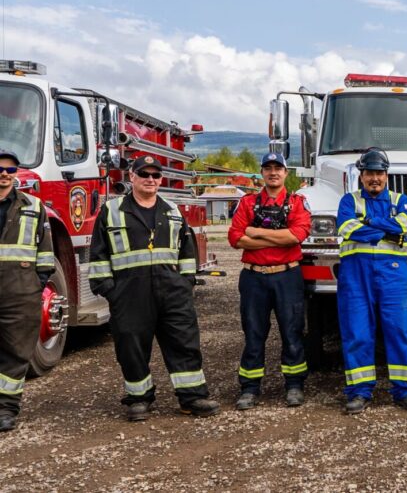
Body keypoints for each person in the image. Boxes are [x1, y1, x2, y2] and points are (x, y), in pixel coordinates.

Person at [88, 156, 219, 421]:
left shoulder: (172, 210)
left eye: (155, 175)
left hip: (172, 291)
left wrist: (186, 281)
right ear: (132, 177)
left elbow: (186, 249)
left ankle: (192, 396)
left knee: (183, 342)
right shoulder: (112, 210)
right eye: (144, 174)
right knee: (131, 345)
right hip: (129, 292)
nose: (150, 179)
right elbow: (99, 253)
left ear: (160, 180)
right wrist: (108, 289)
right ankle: (139, 398)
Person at [335, 148, 407, 412]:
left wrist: (369, 222)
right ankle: (359, 392)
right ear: (361, 176)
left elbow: (405, 224)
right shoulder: (348, 201)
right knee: (357, 332)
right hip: (355, 275)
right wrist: (384, 229)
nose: (375, 178)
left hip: (393, 274)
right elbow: (347, 228)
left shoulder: (401, 199)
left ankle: (404, 391)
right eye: (370, 173)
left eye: (379, 173)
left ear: (387, 175)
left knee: (400, 331)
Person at [227, 152, 312, 410]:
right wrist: (278, 235)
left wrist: (255, 232)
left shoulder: (298, 202)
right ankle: (250, 388)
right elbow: (234, 238)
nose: (273, 172)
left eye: (278, 168)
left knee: (292, 332)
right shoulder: (247, 203)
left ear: (286, 173)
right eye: (268, 168)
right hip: (254, 277)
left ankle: (294, 385)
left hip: (288, 276)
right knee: (253, 333)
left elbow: (297, 236)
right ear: (261, 173)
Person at [0, 149, 54, 432]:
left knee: (16, 351)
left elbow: (45, 254)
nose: (5, 175)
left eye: (10, 170)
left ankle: (6, 409)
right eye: (0, 169)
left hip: (19, 291)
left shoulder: (33, 206)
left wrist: (37, 286)